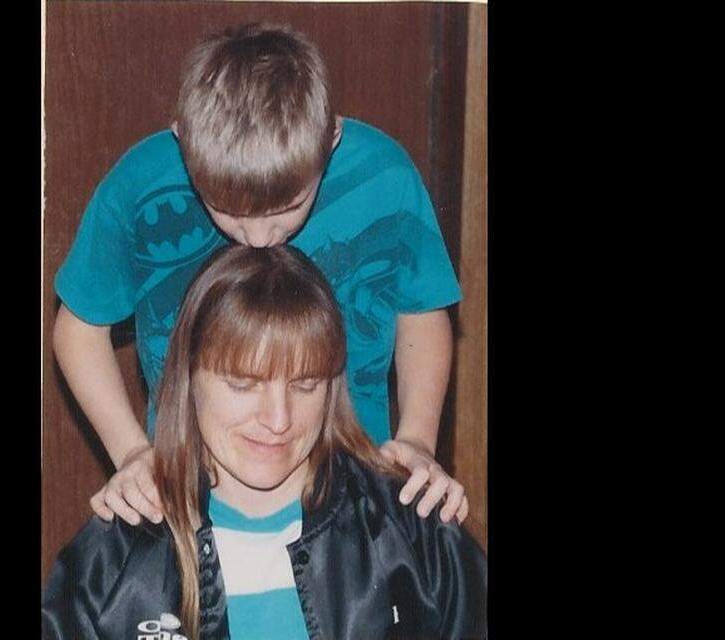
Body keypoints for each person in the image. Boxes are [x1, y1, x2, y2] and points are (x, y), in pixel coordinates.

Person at [53, 22, 468, 528]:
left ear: (330, 139)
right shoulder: (139, 187)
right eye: (226, 208)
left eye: (288, 207)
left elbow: (422, 313)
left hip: (351, 500)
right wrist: (132, 453)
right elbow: (78, 330)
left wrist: (419, 438)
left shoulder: (385, 176)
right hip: (191, 500)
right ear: (183, 141)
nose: (258, 237)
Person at [42, 246, 487, 640]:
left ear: (333, 387)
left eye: (305, 384)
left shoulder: (412, 534)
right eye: (243, 384)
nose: (279, 420)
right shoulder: (116, 556)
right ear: (188, 380)